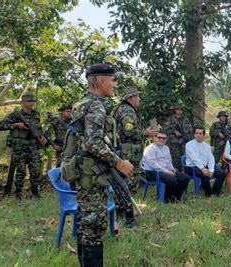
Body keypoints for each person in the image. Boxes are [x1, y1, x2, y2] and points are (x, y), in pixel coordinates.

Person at [71, 63, 134, 266]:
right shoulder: (96, 105)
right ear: (100, 81)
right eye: (112, 80)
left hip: (83, 171)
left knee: (85, 221)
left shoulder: (82, 103)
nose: (114, 84)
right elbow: (92, 143)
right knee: (94, 226)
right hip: (92, 173)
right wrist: (119, 163)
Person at [112, 87, 155, 224]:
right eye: (137, 96)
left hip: (123, 152)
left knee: (122, 183)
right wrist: (145, 133)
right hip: (128, 153)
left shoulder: (119, 109)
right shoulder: (127, 111)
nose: (139, 99)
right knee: (129, 184)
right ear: (131, 98)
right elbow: (129, 131)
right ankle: (129, 218)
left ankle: (120, 215)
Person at [0, 91, 48, 200]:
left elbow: (38, 129)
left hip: (33, 147)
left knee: (35, 170)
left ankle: (35, 192)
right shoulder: (16, 115)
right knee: (21, 171)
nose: (31, 103)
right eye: (28, 101)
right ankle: (18, 193)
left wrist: (42, 137)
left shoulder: (36, 114)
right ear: (23, 102)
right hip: (20, 148)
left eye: (32, 101)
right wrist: (15, 125)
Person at [142, 130, 190, 202]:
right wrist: (167, 171)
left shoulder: (166, 148)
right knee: (172, 180)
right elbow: (153, 164)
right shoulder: (149, 149)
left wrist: (172, 169)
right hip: (153, 173)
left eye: (164, 138)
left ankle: (175, 197)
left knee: (185, 178)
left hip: (166, 171)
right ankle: (167, 199)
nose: (161, 139)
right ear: (154, 138)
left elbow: (169, 161)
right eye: (159, 137)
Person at [185, 126, 227, 196]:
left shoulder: (206, 146)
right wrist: (203, 169)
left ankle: (215, 193)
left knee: (222, 173)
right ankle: (209, 194)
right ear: (194, 134)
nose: (198, 135)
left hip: (205, 166)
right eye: (196, 133)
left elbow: (211, 158)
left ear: (204, 135)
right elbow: (194, 158)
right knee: (204, 174)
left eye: (200, 133)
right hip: (192, 167)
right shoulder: (189, 145)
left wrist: (211, 170)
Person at [165, 105, 193, 169]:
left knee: (185, 156)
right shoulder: (170, 119)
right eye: (177, 109)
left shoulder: (186, 119)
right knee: (175, 157)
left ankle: (185, 171)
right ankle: (177, 172)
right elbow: (166, 129)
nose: (179, 111)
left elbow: (190, 129)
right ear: (175, 110)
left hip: (184, 140)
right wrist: (174, 131)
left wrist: (190, 139)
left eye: (180, 110)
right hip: (174, 141)